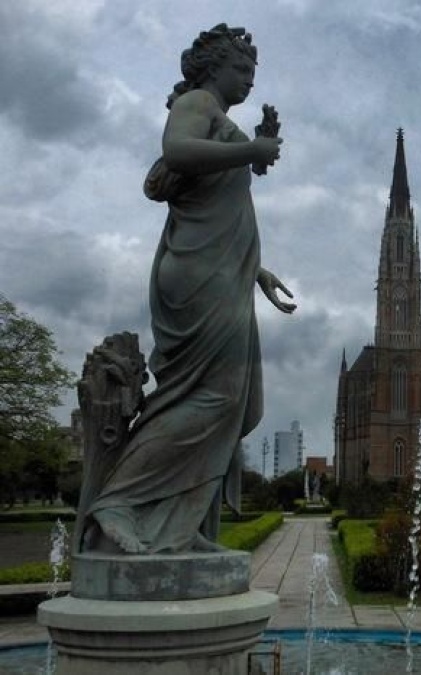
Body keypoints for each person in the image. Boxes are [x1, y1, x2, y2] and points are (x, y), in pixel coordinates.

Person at [79, 24, 295, 554]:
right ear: (213, 67)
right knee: (212, 397)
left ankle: (177, 529)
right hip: (199, 272)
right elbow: (176, 151)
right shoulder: (197, 103)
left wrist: (256, 269)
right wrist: (250, 151)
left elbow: (227, 204)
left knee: (228, 401)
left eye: (252, 72)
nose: (247, 80)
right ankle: (120, 503)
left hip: (227, 269)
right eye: (241, 69)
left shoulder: (219, 119)